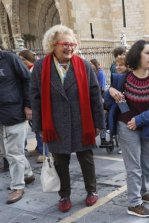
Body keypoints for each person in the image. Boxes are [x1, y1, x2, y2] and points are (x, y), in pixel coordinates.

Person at [30, 25, 105, 212]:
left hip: (82, 121)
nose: (70, 47)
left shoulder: (84, 65)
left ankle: (92, 191)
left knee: (86, 159)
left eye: (73, 44)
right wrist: (39, 125)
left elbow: (95, 95)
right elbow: (35, 97)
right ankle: (64, 195)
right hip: (55, 123)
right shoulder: (41, 67)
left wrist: (98, 123)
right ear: (53, 45)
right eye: (65, 44)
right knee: (60, 161)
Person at [106, 40, 149, 218]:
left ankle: (143, 191)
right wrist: (110, 90)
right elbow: (109, 100)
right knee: (133, 167)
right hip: (126, 126)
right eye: (147, 53)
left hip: (148, 126)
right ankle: (134, 203)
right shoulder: (122, 77)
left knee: (148, 165)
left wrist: (140, 119)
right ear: (137, 55)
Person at [0, 48, 35, 204]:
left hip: (13, 112)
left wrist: (28, 105)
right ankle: (27, 174)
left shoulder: (10, 59)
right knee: (8, 152)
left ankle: (17, 187)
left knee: (14, 153)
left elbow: (27, 80)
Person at [18, 49, 48, 164]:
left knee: (39, 127)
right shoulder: (26, 70)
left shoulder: (35, 70)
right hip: (33, 103)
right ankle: (39, 148)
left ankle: (44, 152)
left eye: (22, 59)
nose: (20, 62)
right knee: (35, 127)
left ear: (28, 59)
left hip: (38, 104)